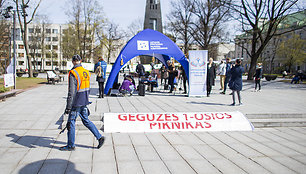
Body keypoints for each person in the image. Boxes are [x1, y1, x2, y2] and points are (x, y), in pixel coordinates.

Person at [61, 55, 105, 151]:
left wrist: (68, 107)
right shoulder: (85, 72)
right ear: (80, 61)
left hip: (76, 102)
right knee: (86, 120)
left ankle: (70, 145)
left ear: (73, 61)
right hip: (84, 100)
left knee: (71, 123)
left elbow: (71, 92)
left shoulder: (73, 73)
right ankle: (99, 137)